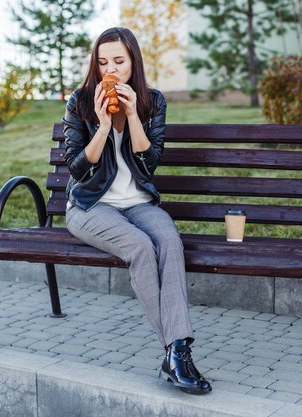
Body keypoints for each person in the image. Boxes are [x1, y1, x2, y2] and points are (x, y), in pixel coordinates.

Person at [62, 27, 212, 395]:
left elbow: (149, 164)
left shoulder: (152, 101)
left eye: (118, 61)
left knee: (169, 243)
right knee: (141, 248)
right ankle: (177, 352)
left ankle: (175, 353)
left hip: (138, 202)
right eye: (102, 62)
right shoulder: (80, 101)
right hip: (90, 205)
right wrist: (100, 125)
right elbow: (78, 169)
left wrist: (130, 116)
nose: (109, 69)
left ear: (133, 62)